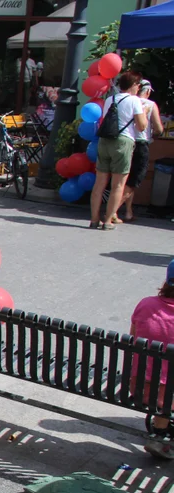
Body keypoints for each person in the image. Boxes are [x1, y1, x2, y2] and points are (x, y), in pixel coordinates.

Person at [90, 71, 147, 230]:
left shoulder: (110, 99)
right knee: (118, 184)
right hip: (123, 142)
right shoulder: (134, 100)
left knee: (99, 183)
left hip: (105, 141)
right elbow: (142, 125)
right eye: (138, 85)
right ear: (134, 85)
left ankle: (94, 220)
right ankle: (107, 221)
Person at [131, 260, 174, 459]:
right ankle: (161, 435)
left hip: (137, 387)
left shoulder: (146, 303)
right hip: (166, 397)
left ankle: (160, 431)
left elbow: (132, 338)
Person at [117, 78, 164, 223]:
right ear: (148, 91)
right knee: (135, 180)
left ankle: (129, 212)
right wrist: (158, 132)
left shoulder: (127, 102)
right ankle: (112, 210)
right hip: (141, 144)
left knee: (125, 179)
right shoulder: (150, 104)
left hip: (124, 142)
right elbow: (158, 128)